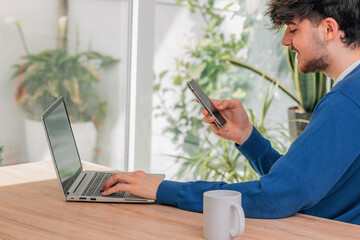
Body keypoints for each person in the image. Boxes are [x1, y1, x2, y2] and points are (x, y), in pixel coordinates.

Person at [101, 0, 360, 225]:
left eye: (293, 29)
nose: (285, 41)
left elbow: (278, 196)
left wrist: (162, 189)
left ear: (329, 29)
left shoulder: (346, 101)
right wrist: (246, 136)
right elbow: (298, 183)